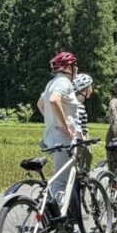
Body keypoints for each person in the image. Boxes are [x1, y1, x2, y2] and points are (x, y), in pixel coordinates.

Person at [36, 51, 80, 209]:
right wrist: (65, 125)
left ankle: (55, 215)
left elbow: (41, 104)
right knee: (61, 182)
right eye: (75, 66)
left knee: (61, 178)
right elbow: (54, 100)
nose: (77, 69)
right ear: (69, 67)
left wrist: (52, 120)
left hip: (52, 137)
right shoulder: (64, 82)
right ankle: (56, 221)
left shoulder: (52, 82)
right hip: (63, 138)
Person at [72, 73, 94, 170]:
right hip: (80, 139)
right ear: (84, 89)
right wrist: (83, 140)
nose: (91, 90)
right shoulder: (77, 105)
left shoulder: (79, 104)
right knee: (81, 166)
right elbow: (78, 126)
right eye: (90, 87)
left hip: (83, 137)